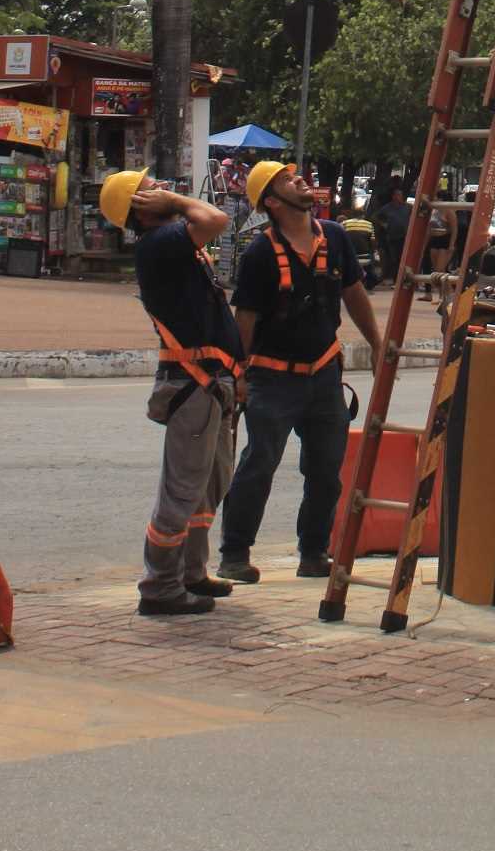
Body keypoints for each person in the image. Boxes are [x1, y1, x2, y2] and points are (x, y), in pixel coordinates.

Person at [218, 159, 382, 585]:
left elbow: (354, 294)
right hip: (272, 379)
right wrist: (238, 374)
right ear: (272, 201)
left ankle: (313, 552)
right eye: (288, 180)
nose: (302, 181)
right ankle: (234, 554)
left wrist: (379, 345)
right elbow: (247, 320)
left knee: (327, 470)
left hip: (324, 374)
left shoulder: (337, 238)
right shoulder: (260, 252)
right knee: (260, 464)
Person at [98, 167, 240, 619]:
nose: (160, 186)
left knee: (206, 487)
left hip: (211, 380)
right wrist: (177, 203)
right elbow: (217, 219)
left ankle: (191, 572)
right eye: (149, 188)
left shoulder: (174, 245)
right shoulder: (160, 244)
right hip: (193, 383)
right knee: (182, 490)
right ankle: (159, 585)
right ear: (140, 208)